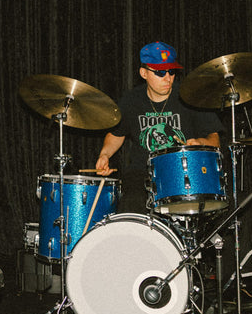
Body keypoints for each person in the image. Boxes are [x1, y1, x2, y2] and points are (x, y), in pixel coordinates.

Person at [96, 41, 223, 215]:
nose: (168, 78)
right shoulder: (131, 100)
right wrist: (105, 155)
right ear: (144, 73)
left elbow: (215, 140)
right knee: (132, 200)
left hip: (184, 171)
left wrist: (200, 142)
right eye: (160, 72)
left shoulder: (190, 97)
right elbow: (116, 134)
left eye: (171, 71)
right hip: (143, 172)